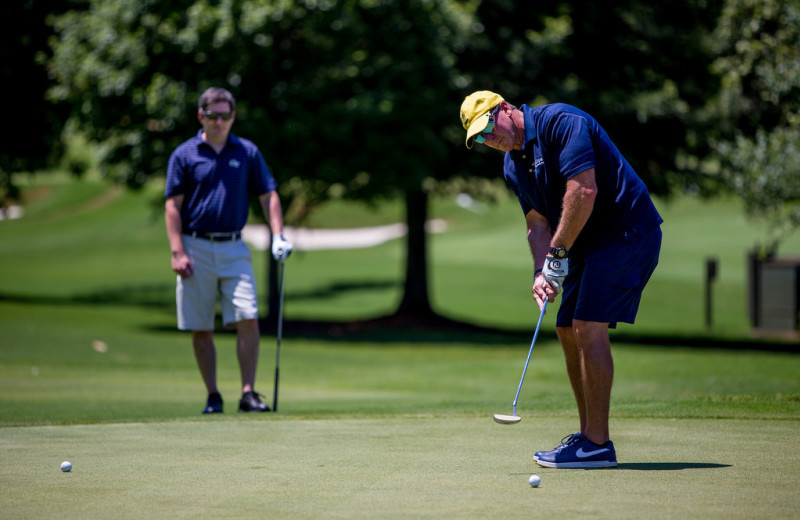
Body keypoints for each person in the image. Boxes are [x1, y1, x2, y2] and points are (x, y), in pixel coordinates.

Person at [460, 91, 663, 468]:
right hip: (583, 244)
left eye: (489, 128)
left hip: (625, 232)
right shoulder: (512, 165)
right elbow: (537, 223)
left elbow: (583, 190)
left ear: (504, 109)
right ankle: (587, 438)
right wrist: (541, 271)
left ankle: (597, 444)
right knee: (566, 327)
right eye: (481, 138)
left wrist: (557, 255)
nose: (490, 140)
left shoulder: (563, 123)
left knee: (587, 326)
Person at [165, 87, 293, 414]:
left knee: (248, 315)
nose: (219, 121)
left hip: (234, 246)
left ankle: (248, 393)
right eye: (213, 115)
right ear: (201, 116)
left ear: (233, 116)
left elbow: (269, 195)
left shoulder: (247, 152)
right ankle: (212, 395)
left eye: (225, 115)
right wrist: (177, 250)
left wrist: (278, 234)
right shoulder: (184, 155)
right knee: (201, 325)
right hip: (195, 246)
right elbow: (173, 206)